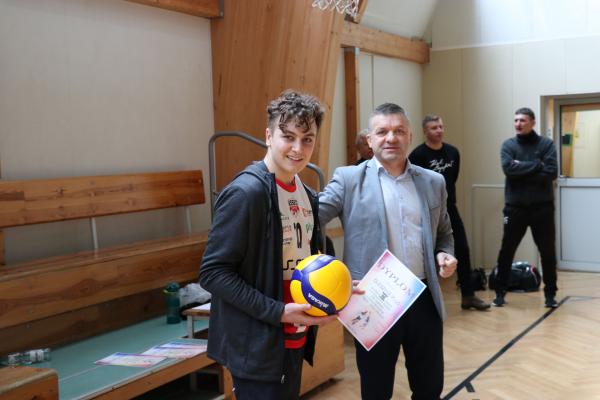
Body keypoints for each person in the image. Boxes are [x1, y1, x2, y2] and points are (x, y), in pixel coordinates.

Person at [199, 90, 336, 400]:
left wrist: (335, 285)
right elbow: (213, 273)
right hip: (257, 346)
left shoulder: (307, 194)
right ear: (268, 136)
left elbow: (302, 263)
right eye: (288, 137)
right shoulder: (246, 193)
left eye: (307, 139)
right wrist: (278, 311)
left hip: (294, 337)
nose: (298, 149)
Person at [320, 103, 457, 400]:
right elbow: (311, 219)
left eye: (398, 131)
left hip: (423, 297)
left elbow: (444, 234)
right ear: (369, 140)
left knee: (430, 387)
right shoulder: (348, 179)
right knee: (376, 390)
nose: (391, 138)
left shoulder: (433, 182)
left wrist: (444, 254)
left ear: (410, 136)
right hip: (373, 301)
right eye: (382, 132)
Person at [409, 115, 490, 311]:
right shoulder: (417, 155)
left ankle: (468, 296)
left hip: (449, 208)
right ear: (425, 131)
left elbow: (452, 180)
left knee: (462, 248)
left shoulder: (453, 152)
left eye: (440, 126)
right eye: (434, 127)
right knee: (424, 253)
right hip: (426, 211)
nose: (439, 130)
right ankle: (423, 301)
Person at [493, 107, 558, 308]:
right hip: (515, 208)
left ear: (532, 122)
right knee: (507, 250)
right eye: (516, 120)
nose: (518, 124)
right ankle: (500, 293)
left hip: (542, 208)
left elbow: (551, 172)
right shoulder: (508, 145)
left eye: (522, 120)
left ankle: (550, 295)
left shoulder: (546, 145)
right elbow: (508, 169)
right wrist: (537, 165)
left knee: (547, 252)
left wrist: (520, 168)